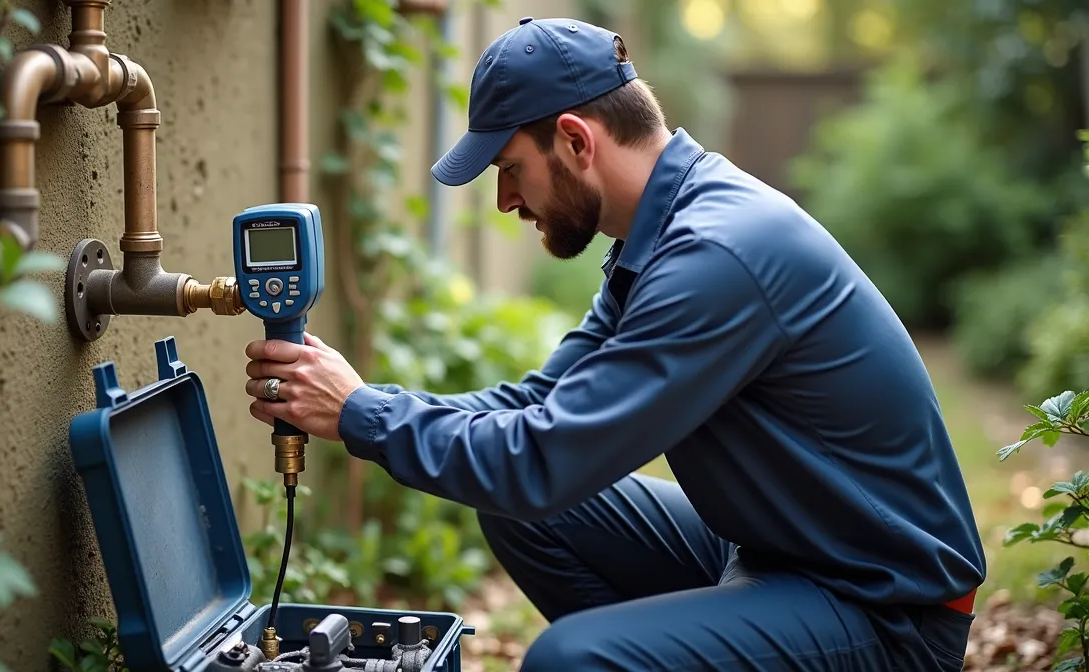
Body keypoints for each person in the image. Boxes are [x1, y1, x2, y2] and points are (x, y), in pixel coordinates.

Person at [243, 15, 985, 672]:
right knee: (521, 514)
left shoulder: (715, 258)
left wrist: (363, 414)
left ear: (573, 139)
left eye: (509, 170)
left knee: (570, 659)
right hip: (779, 550)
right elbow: (541, 405)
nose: (505, 201)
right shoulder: (660, 236)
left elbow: (547, 461)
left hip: (885, 609)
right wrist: (365, 402)